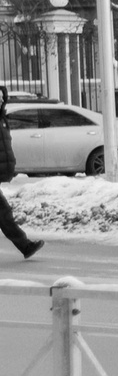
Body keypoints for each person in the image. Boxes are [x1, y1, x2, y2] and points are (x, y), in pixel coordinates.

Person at [0, 98, 41, 263]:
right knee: (3, 214)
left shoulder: (2, 119)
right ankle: (25, 246)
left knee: (4, 214)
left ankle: (25, 246)